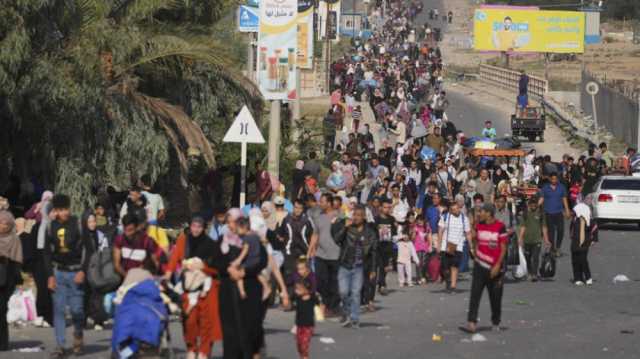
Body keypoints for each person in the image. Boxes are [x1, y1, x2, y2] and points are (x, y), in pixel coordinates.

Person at [165, 217, 222, 359]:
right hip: (189, 287)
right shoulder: (184, 241)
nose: (196, 229)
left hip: (207, 290)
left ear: (204, 228)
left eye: (199, 227)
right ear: (190, 227)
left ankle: (204, 351)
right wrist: (167, 274)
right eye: (193, 226)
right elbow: (174, 259)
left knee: (206, 323)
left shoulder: (211, 244)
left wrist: (204, 267)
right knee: (189, 321)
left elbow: (218, 269)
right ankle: (191, 347)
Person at [43, 195, 92, 358]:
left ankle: (78, 334)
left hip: (75, 272)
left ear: (69, 209)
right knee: (58, 310)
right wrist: (50, 275)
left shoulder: (78, 224)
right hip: (58, 273)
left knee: (77, 310)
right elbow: (47, 253)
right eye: (59, 210)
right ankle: (60, 345)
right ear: (55, 211)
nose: (63, 213)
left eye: (65, 209)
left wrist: (83, 271)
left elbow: (88, 249)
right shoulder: (50, 226)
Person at [463, 203, 508, 334]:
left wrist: (498, 265)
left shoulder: (500, 227)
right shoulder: (479, 225)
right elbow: (475, 239)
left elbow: (503, 248)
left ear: (489, 213)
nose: (479, 213)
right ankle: (472, 322)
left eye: (481, 211)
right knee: (475, 294)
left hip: (495, 268)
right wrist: (476, 253)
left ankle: (495, 321)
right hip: (479, 266)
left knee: (495, 297)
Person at [331, 205, 377, 329]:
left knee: (356, 293)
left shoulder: (370, 233)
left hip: (359, 267)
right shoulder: (347, 228)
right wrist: (344, 228)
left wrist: (373, 269)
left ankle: (355, 318)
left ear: (363, 217)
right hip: (344, 265)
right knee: (343, 292)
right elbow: (336, 240)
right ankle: (346, 313)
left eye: (358, 215)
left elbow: (373, 252)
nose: (355, 217)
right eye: (354, 215)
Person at [307, 193, 341, 316]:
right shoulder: (319, 217)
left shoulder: (339, 216)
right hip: (320, 255)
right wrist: (310, 251)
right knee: (321, 281)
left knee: (334, 283)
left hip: (336, 255)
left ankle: (331, 306)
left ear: (329, 203)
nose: (320, 204)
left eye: (322, 201)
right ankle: (326, 303)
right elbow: (315, 235)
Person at [80, 211, 110, 331]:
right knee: (84, 295)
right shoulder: (80, 236)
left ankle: (98, 320)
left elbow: (105, 250)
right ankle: (83, 320)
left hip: (97, 269)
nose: (92, 224)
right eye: (89, 222)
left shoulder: (100, 235)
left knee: (98, 295)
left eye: (94, 221)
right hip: (84, 269)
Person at [0, 211, 23, 351]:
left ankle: (2, 343)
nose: (3, 226)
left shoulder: (14, 239)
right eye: (1, 222)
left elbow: (17, 263)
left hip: (5, 281)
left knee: (1, 312)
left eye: (6, 223)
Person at [437, 202, 471, 292]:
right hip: (446, 246)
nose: (456, 211)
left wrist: (472, 247)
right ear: (450, 211)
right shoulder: (445, 217)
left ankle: (453, 286)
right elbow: (440, 231)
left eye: (457, 208)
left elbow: (468, 233)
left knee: (454, 266)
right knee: (445, 267)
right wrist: (439, 246)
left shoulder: (464, 219)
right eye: (453, 209)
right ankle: (447, 279)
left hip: (458, 246)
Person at [538, 173, 571, 257]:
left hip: (559, 212)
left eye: (555, 179)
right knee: (551, 232)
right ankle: (552, 249)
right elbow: (542, 198)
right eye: (552, 179)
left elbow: (564, 199)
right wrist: (535, 206)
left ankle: (558, 247)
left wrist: (567, 210)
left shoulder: (561, 187)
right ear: (550, 179)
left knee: (561, 230)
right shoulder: (545, 188)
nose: (554, 181)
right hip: (548, 212)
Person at [518, 198, 550, 282]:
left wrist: (546, 240)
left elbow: (544, 227)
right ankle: (529, 272)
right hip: (527, 240)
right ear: (528, 205)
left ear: (537, 204)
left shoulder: (540, 214)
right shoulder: (525, 214)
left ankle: (534, 274)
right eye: (531, 204)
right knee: (527, 257)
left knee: (535, 257)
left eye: (534, 204)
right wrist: (520, 238)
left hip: (537, 240)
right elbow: (523, 227)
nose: (533, 206)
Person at [571, 201, 598, 286]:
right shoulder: (575, 219)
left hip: (585, 242)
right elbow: (571, 229)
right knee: (575, 260)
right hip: (575, 242)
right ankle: (577, 278)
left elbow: (594, 229)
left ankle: (588, 277)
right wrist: (572, 236)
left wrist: (594, 239)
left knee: (583, 260)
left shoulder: (589, 220)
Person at [293, 272, 316, 359]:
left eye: (298, 289)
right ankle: (302, 357)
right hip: (299, 325)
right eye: (296, 289)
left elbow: (320, 304)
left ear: (306, 289)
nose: (296, 291)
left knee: (304, 345)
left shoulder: (312, 299)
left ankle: (305, 357)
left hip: (308, 326)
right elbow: (289, 305)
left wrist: (322, 308)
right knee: (299, 345)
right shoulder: (297, 298)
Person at [374, 199, 395, 295]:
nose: (387, 209)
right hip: (379, 246)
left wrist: (395, 226)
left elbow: (394, 233)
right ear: (381, 208)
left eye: (388, 207)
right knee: (381, 265)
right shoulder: (376, 219)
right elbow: (373, 232)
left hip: (388, 245)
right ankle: (382, 285)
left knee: (385, 267)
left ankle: (381, 283)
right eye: (385, 207)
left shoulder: (391, 219)